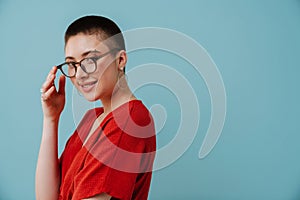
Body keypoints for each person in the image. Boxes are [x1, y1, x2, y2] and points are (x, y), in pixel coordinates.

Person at [36, 15, 156, 200]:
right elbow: (46, 197)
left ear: (121, 60)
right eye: (71, 64)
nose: (80, 74)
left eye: (90, 60)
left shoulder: (128, 120)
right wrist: (51, 118)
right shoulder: (92, 118)